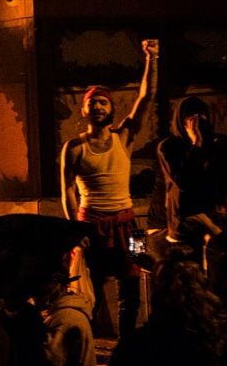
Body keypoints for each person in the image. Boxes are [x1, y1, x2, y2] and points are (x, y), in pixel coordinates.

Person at [60, 38, 159, 338]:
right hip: (92, 226)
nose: (98, 106)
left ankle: (128, 345)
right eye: (92, 102)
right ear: (83, 110)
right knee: (91, 293)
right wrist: (75, 232)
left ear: (112, 108)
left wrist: (152, 58)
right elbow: (67, 191)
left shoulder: (124, 137)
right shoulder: (73, 148)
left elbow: (147, 97)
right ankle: (92, 348)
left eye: (103, 102)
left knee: (134, 284)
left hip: (129, 224)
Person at [157, 95, 227, 267]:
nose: (197, 122)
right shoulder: (169, 147)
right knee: (190, 274)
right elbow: (183, 181)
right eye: (190, 117)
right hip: (186, 226)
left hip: (216, 220)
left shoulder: (219, 143)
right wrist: (196, 144)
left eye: (201, 116)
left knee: (221, 271)